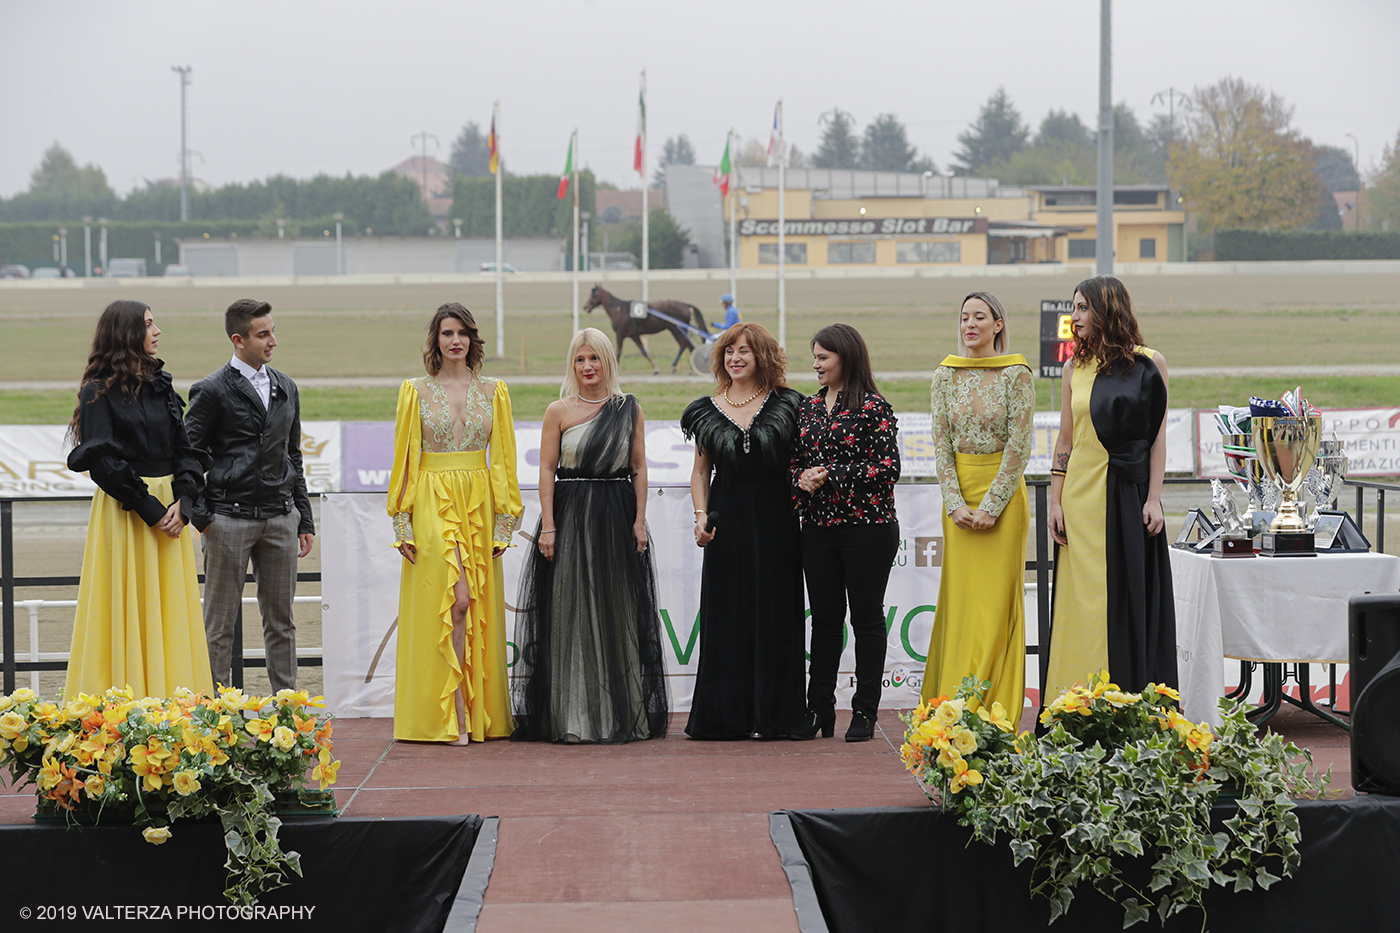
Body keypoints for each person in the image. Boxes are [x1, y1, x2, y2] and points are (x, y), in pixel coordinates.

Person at [512, 328, 669, 743]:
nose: (587, 367)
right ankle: (573, 718)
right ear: (572, 364)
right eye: (580, 360)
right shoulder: (557, 411)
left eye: (594, 359)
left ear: (607, 362)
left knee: (618, 612)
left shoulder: (628, 408)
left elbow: (638, 466)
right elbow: (546, 469)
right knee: (570, 613)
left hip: (616, 515)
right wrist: (548, 525)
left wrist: (639, 520)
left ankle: (622, 715)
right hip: (571, 513)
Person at [388, 303, 522, 745]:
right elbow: (405, 461)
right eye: (447, 333)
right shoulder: (415, 391)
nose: (455, 340)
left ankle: (473, 715)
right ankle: (449, 717)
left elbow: (502, 461)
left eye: (463, 332)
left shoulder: (495, 391)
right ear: (436, 340)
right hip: (431, 500)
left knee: (476, 607)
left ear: (472, 339)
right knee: (455, 601)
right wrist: (401, 523)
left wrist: (505, 521)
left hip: (480, 504)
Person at [65, 300, 213, 698]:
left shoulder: (162, 385)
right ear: (127, 333)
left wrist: (185, 501)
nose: (157, 330)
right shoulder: (97, 392)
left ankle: (174, 700)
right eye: (149, 324)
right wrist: (151, 509)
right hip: (128, 511)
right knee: (123, 606)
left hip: (172, 511)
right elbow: (104, 464)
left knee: (171, 610)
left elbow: (185, 448)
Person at [1046, 275, 1176, 698]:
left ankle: (1125, 699)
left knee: (1123, 600)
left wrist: (1154, 498)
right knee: (1079, 605)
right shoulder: (1072, 368)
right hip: (1079, 499)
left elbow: (1156, 437)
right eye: (1073, 307)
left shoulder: (1150, 362)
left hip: (1126, 496)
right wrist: (1055, 501)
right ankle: (1074, 699)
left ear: (1107, 310)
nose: (1075, 316)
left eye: (1083, 307)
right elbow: (1065, 441)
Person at [681, 322, 806, 740]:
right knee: (727, 615)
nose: (736, 357)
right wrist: (701, 516)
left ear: (763, 357)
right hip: (725, 521)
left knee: (776, 613)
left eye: (745, 351)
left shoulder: (789, 404)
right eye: (729, 350)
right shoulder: (705, 409)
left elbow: (801, 462)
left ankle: (775, 716)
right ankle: (725, 717)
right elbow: (701, 471)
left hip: (777, 519)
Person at [186, 299, 314, 693]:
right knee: (219, 624)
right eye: (264, 334)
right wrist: (204, 518)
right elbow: (188, 458)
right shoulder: (209, 390)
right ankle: (214, 717)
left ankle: (288, 715)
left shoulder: (286, 386)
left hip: (281, 519)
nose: (273, 340)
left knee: (282, 622)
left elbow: (292, 454)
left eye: (273, 331)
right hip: (228, 521)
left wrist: (304, 520)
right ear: (238, 340)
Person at [921, 293, 1034, 715]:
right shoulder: (944, 375)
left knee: (996, 604)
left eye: (980, 317)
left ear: (998, 324)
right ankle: (951, 706)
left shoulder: (1016, 374)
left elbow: (1020, 447)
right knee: (963, 602)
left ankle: (993, 709)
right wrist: (954, 502)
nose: (970, 324)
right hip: (959, 501)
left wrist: (992, 505)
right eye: (965, 316)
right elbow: (940, 445)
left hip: (1002, 503)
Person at [791, 323, 901, 741]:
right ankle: (819, 709)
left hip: (868, 528)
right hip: (817, 529)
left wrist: (830, 475)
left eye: (823, 358)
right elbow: (794, 463)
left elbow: (887, 468)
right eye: (815, 357)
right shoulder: (808, 408)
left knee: (867, 619)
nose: (816, 364)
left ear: (846, 358)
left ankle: (865, 711)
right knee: (823, 621)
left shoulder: (874, 407)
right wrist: (801, 478)